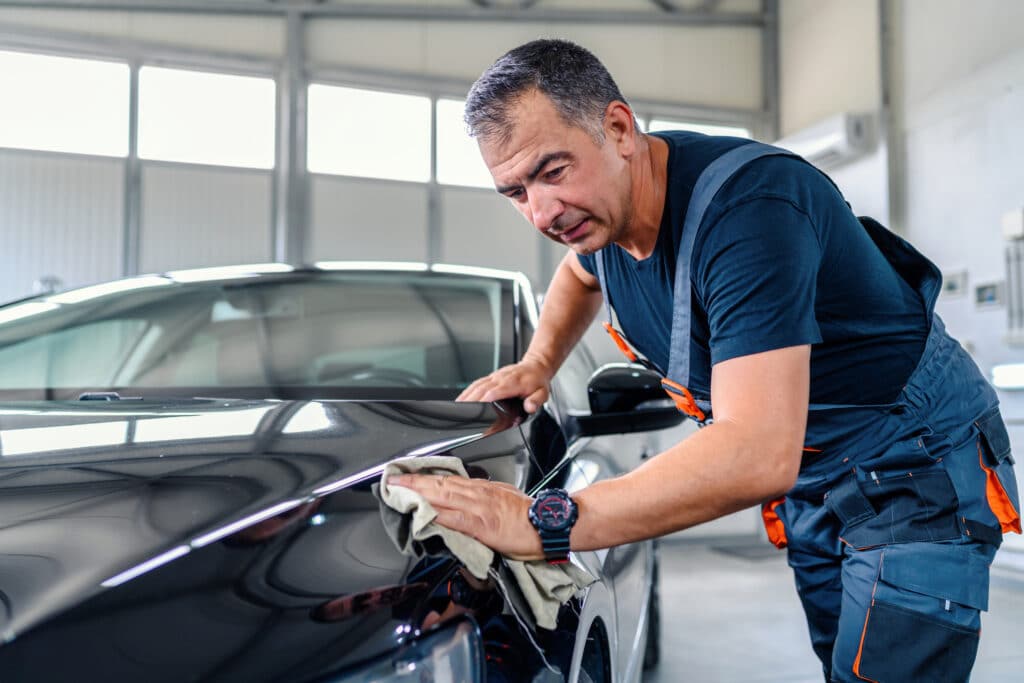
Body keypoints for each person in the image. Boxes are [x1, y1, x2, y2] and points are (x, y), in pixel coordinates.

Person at [388, 38, 1021, 681]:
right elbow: (579, 277)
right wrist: (539, 362)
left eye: (553, 171)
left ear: (618, 128)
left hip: (914, 460)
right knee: (841, 662)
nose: (544, 212)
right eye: (516, 192)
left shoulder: (749, 212)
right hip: (818, 475)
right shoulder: (599, 221)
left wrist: (545, 522)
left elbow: (754, 451)